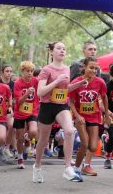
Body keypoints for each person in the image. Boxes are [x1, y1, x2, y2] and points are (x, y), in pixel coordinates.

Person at [32, 42, 87, 183]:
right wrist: (56, 81)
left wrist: (78, 84)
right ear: (52, 52)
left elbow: (65, 89)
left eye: (64, 49)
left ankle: (68, 168)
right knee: (43, 141)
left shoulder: (67, 69)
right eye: (59, 48)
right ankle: (37, 166)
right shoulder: (46, 69)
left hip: (61, 106)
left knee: (69, 131)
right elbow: (40, 92)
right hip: (47, 106)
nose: (62, 50)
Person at [69, 57, 113, 178]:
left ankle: (86, 166)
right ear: (84, 67)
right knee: (84, 143)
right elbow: (70, 101)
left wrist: (107, 115)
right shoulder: (77, 82)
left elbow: (104, 97)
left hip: (94, 116)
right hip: (80, 117)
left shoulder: (100, 82)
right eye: (91, 67)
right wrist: (77, 116)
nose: (94, 70)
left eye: (96, 68)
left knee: (93, 146)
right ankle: (76, 169)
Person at [13, 61, 38, 169]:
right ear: (22, 71)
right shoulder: (18, 83)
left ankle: (28, 139)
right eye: (27, 71)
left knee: (33, 131)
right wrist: (27, 93)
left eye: (32, 71)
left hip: (32, 111)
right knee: (19, 138)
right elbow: (18, 102)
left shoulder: (36, 81)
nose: (30, 73)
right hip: (19, 113)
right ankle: (20, 158)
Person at [0, 64, 16, 158]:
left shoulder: (13, 84)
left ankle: (6, 147)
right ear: (2, 72)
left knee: (11, 125)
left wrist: (12, 103)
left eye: (10, 71)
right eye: (7, 71)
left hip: (9, 109)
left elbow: (16, 98)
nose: (9, 73)